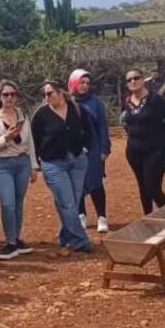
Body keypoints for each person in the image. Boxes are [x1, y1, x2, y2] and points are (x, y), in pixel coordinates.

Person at [32, 80, 92, 254]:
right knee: (67, 202)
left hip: (77, 160)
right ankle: (80, 240)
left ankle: (65, 236)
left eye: (49, 93)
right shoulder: (41, 115)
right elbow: (34, 141)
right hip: (53, 163)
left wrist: (85, 148)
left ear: (60, 92)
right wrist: (37, 163)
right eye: (44, 94)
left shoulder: (76, 109)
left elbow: (88, 130)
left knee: (72, 200)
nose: (46, 97)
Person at [0, 80, 38, 260]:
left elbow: (30, 142)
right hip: (1, 164)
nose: (9, 98)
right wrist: (5, 138)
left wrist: (34, 166)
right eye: (6, 94)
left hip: (23, 162)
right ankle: (10, 241)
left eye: (13, 94)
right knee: (7, 203)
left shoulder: (23, 116)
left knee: (18, 202)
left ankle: (16, 239)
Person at [120, 68, 165, 215]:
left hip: (155, 151)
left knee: (153, 186)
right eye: (129, 80)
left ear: (143, 79)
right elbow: (125, 121)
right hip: (134, 151)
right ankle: (148, 218)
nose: (133, 81)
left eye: (136, 78)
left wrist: (162, 139)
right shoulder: (126, 101)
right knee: (143, 187)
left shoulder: (155, 100)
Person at [68, 69, 110, 233]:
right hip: (74, 149)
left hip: (94, 148)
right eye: (81, 83)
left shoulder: (96, 103)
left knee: (95, 182)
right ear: (73, 83)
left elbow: (102, 127)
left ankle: (102, 217)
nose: (85, 86)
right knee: (76, 183)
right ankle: (81, 215)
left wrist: (104, 149)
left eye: (87, 83)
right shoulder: (67, 102)